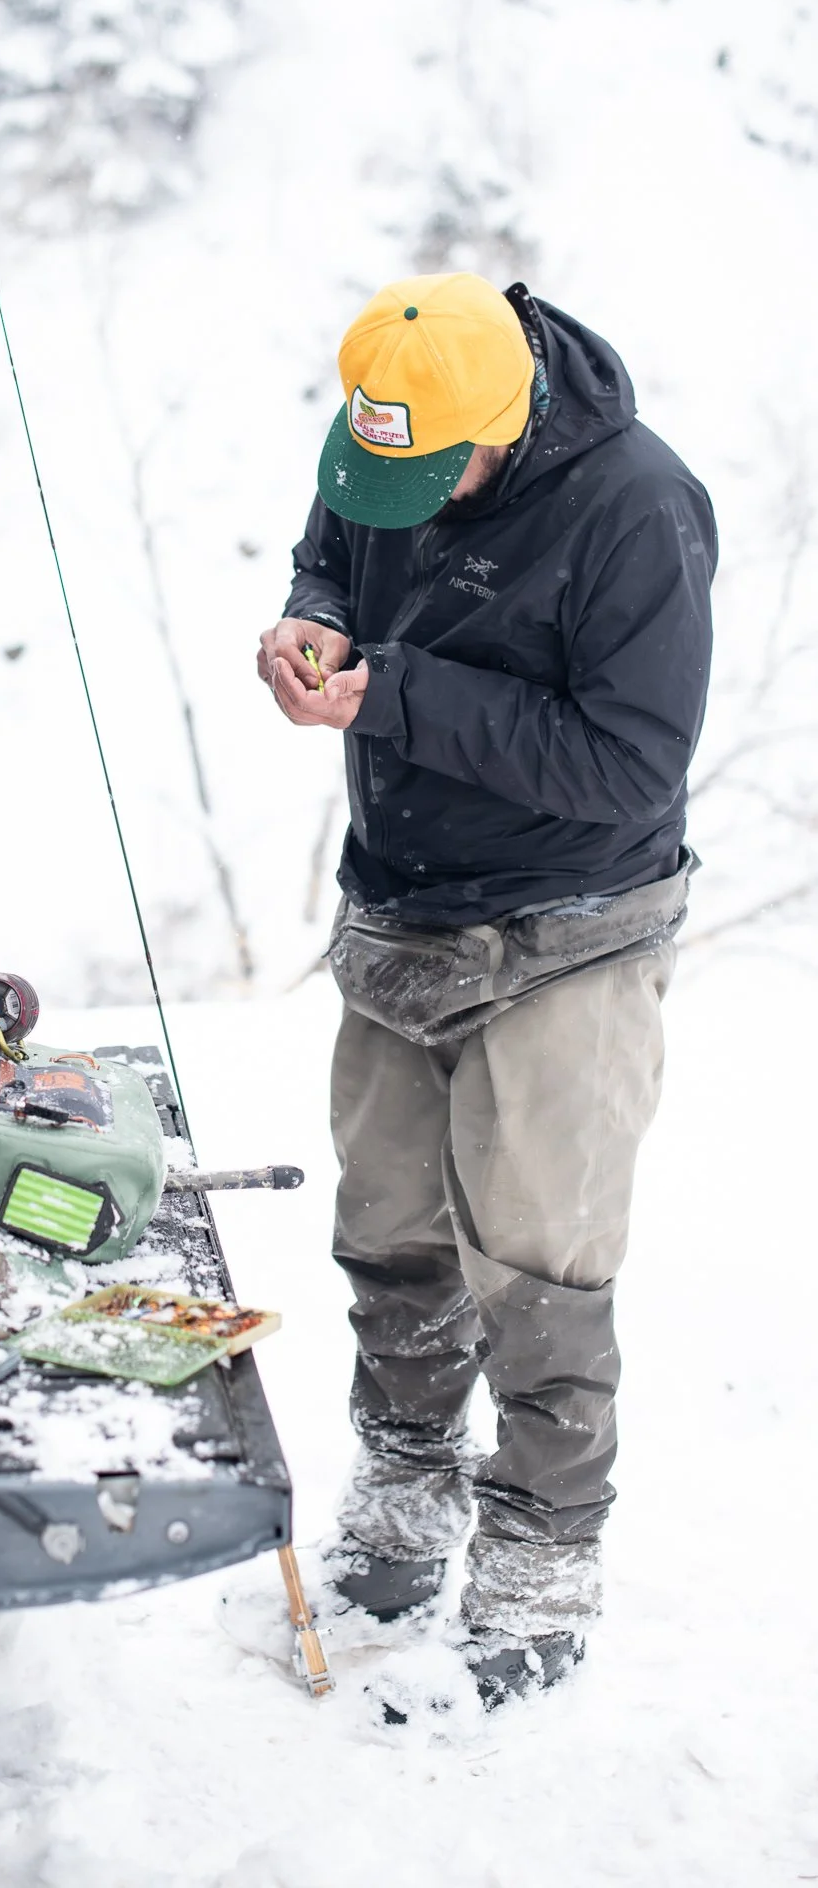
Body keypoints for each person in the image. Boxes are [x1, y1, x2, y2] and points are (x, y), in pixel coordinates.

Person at [258, 270, 715, 1709]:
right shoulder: (396, 435)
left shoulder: (636, 508)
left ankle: (537, 1552)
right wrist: (310, 623)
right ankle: (402, 1485)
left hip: (569, 928)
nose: (384, 495)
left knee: (534, 1267)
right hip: (399, 906)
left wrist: (387, 691)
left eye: (421, 475)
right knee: (386, 1229)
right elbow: (335, 549)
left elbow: (625, 764)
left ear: (502, 427)